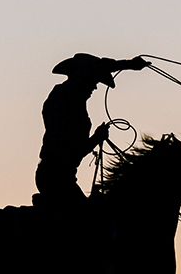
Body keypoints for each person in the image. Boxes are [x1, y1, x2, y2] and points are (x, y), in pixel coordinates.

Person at [33, 53, 149, 212]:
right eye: (93, 81)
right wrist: (97, 138)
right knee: (88, 220)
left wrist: (129, 65)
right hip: (56, 177)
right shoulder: (64, 102)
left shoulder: (65, 99)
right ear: (82, 79)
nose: (94, 87)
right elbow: (72, 150)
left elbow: (103, 65)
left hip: (58, 175)